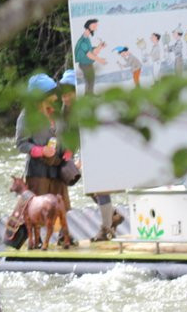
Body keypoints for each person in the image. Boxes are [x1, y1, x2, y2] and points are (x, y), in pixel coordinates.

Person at [57, 69, 124, 242]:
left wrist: (84, 159)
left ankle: (107, 228)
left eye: (68, 94)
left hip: (100, 147)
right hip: (87, 148)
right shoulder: (66, 108)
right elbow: (69, 132)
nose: (65, 98)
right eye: (63, 95)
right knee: (93, 189)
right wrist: (69, 154)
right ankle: (112, 218)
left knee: (98, 187)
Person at [15, 73, 76, 245]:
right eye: (51, 93)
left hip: (57, 167)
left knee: (60, 203)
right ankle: (37, 239)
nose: (56, 97)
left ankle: (64, 236)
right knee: (38, 204)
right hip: (38, 169)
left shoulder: (55, 113)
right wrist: (40, 150)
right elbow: (21, 144)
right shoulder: (26, 116)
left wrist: (68, 150)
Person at [74, 19, 106, 94]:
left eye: (96, 26)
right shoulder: (83, 40)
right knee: (89, 80)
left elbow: (92, 52)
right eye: (94, 26)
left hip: (88, 63)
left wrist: (100, 46)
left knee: (91, 79)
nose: (95, 28)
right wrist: (100, 60)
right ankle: (88, 96)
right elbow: (89, 54)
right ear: (89, 26)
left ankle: (90, 94)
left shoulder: (87, 38)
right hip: (85, 64)